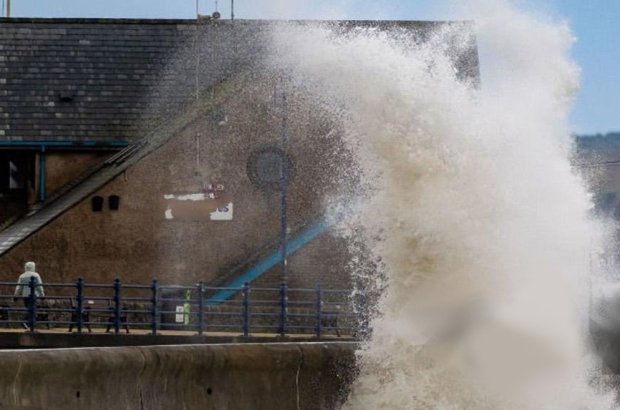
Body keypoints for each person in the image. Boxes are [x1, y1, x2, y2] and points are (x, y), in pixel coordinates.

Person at [14, 262, 45, 329]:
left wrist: (16, 296)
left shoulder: (22, 276)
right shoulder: (36, 275)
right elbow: (39, 286)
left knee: (29, 309)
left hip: (25, 296)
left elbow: (19, 287)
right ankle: (28, 324)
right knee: (33, 309)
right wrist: (42, 295)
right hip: (34, 295)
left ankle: (29, 324)